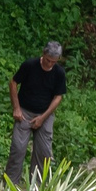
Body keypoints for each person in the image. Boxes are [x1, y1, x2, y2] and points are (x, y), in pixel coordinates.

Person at [6, 40, 67, 183]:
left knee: (44, 153)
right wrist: (16, 108)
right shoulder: (30, 65)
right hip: (25, 112)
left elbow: (58, 97)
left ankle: (37, 190)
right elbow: (13, 83)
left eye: (54, 61)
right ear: (43, 54)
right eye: (48, 60)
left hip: (45, 114)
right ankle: (9, 186)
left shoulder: (59, 72)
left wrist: (43, 117)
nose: (50, 64)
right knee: (18, 149)